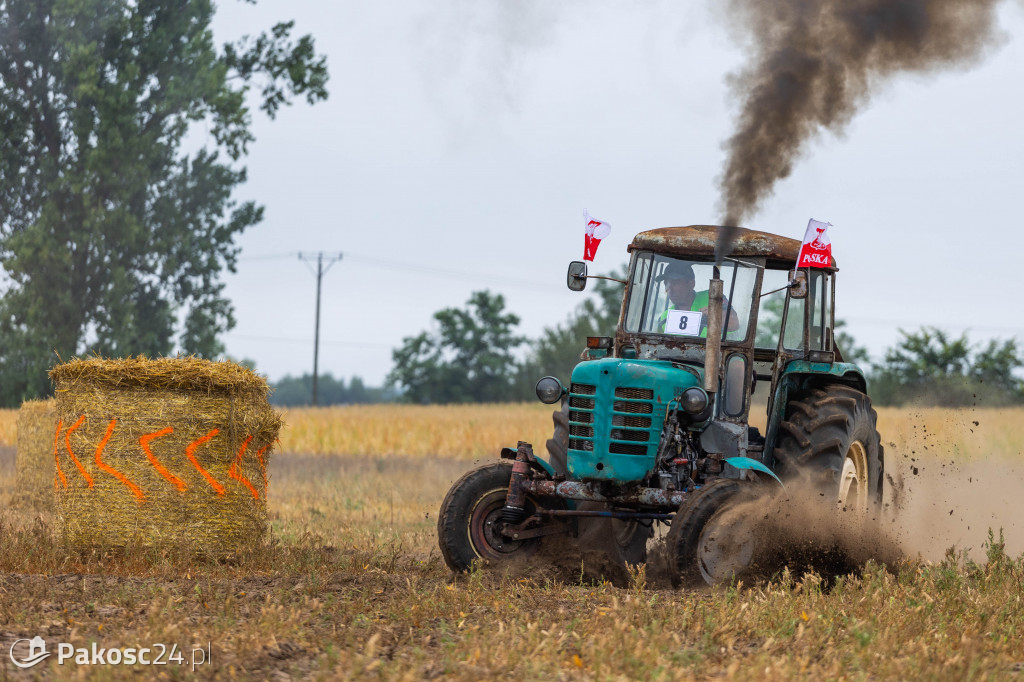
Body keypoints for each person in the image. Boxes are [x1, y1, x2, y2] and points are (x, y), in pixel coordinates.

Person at [658, 261, 740, 336]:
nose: (669, 290)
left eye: (675, 283)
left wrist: (713, 315)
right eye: (666, 284)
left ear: (691, 284)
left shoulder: (712, 297)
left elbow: (734, 324)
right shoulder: (665, 317)